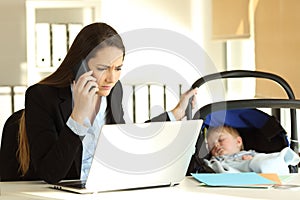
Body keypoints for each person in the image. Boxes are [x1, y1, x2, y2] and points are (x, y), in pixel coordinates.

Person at [10, 22, 197, 184]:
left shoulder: (114, 90)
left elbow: (125, 140)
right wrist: (78, 116)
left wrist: (175, 113)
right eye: (102, 68)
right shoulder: (41, 96)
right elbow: (50, 173)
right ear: (80, 65)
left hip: (105, 188)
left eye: (118, 68)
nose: (111, 78)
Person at [204, 126, 300, 174]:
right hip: (235, 172)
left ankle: (284, 158)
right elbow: (212, 166)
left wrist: (252, 158)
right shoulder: (217, 160)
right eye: (212, 145)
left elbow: (261, 157)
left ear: (238, 142)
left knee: (261, 160)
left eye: (221, 140)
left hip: (255, 167)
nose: (216, 145)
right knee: (258, 163)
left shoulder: (250, 153)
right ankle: (279, 162)